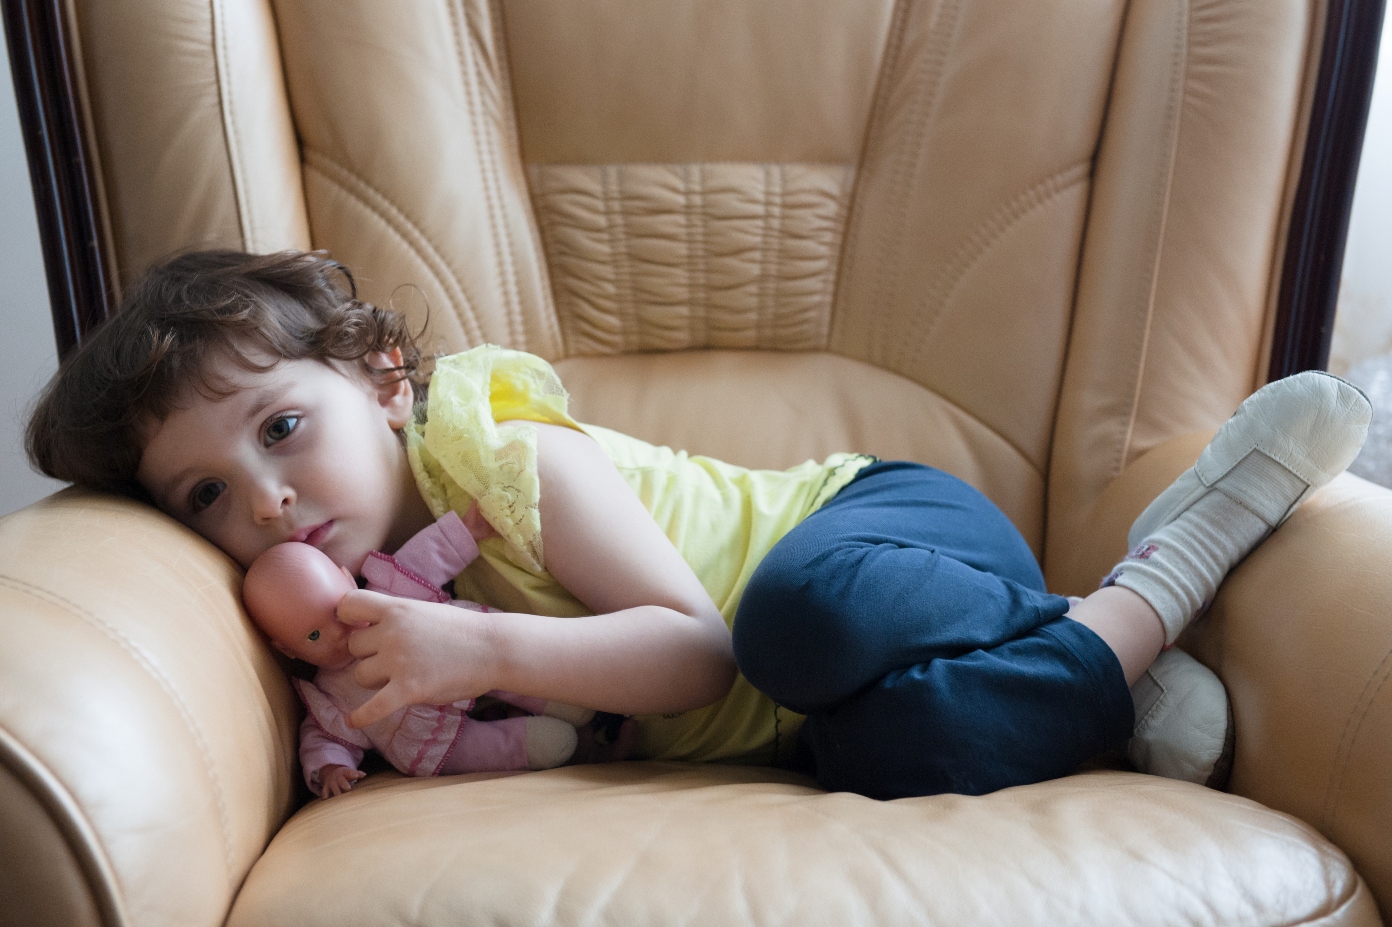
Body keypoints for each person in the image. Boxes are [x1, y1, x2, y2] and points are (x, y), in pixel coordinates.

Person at [25, 250, 1372, 801]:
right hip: (833, 700)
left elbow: (695, 653)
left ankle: (1185, 549)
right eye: (205, 494)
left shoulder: (485, 446)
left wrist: (475, 640)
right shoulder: (334, 611)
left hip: (886, 535)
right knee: (887, 753)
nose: (262, 499)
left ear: (380, 384)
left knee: (793, 617)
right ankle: (1103, 661)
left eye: (277, 427)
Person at [242, 510, 604, 797]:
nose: (338, 633)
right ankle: (526, 745)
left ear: (348, 581)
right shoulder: (330, 699)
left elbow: (426, 558)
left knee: (507, 666)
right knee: (487, 750)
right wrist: (330, 768)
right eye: (314, 635)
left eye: (337, 609)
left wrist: (468, 530)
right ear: (289, 650)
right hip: (431, 739)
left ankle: (557, 694)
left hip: (471, 656)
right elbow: (325, 738)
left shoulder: (389, 595)